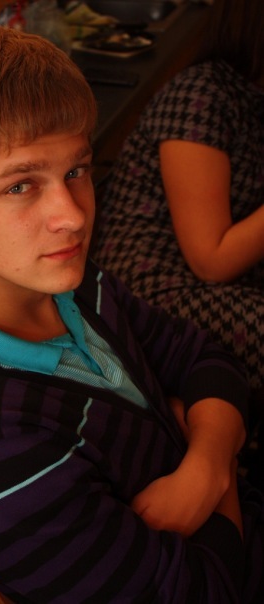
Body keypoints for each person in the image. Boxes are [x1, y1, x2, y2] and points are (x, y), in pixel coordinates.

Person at [0, 25, 264, 603]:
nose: (74, 216)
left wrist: (205, 469)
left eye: (75, 171)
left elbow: (205, 356)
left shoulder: (68, 286)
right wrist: (215, 440)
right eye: (20, 186)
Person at [92, 0, 264, 399]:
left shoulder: (252, 94)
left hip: (223, 283)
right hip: (156, 292)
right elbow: (212, 261)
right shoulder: (201, 95)